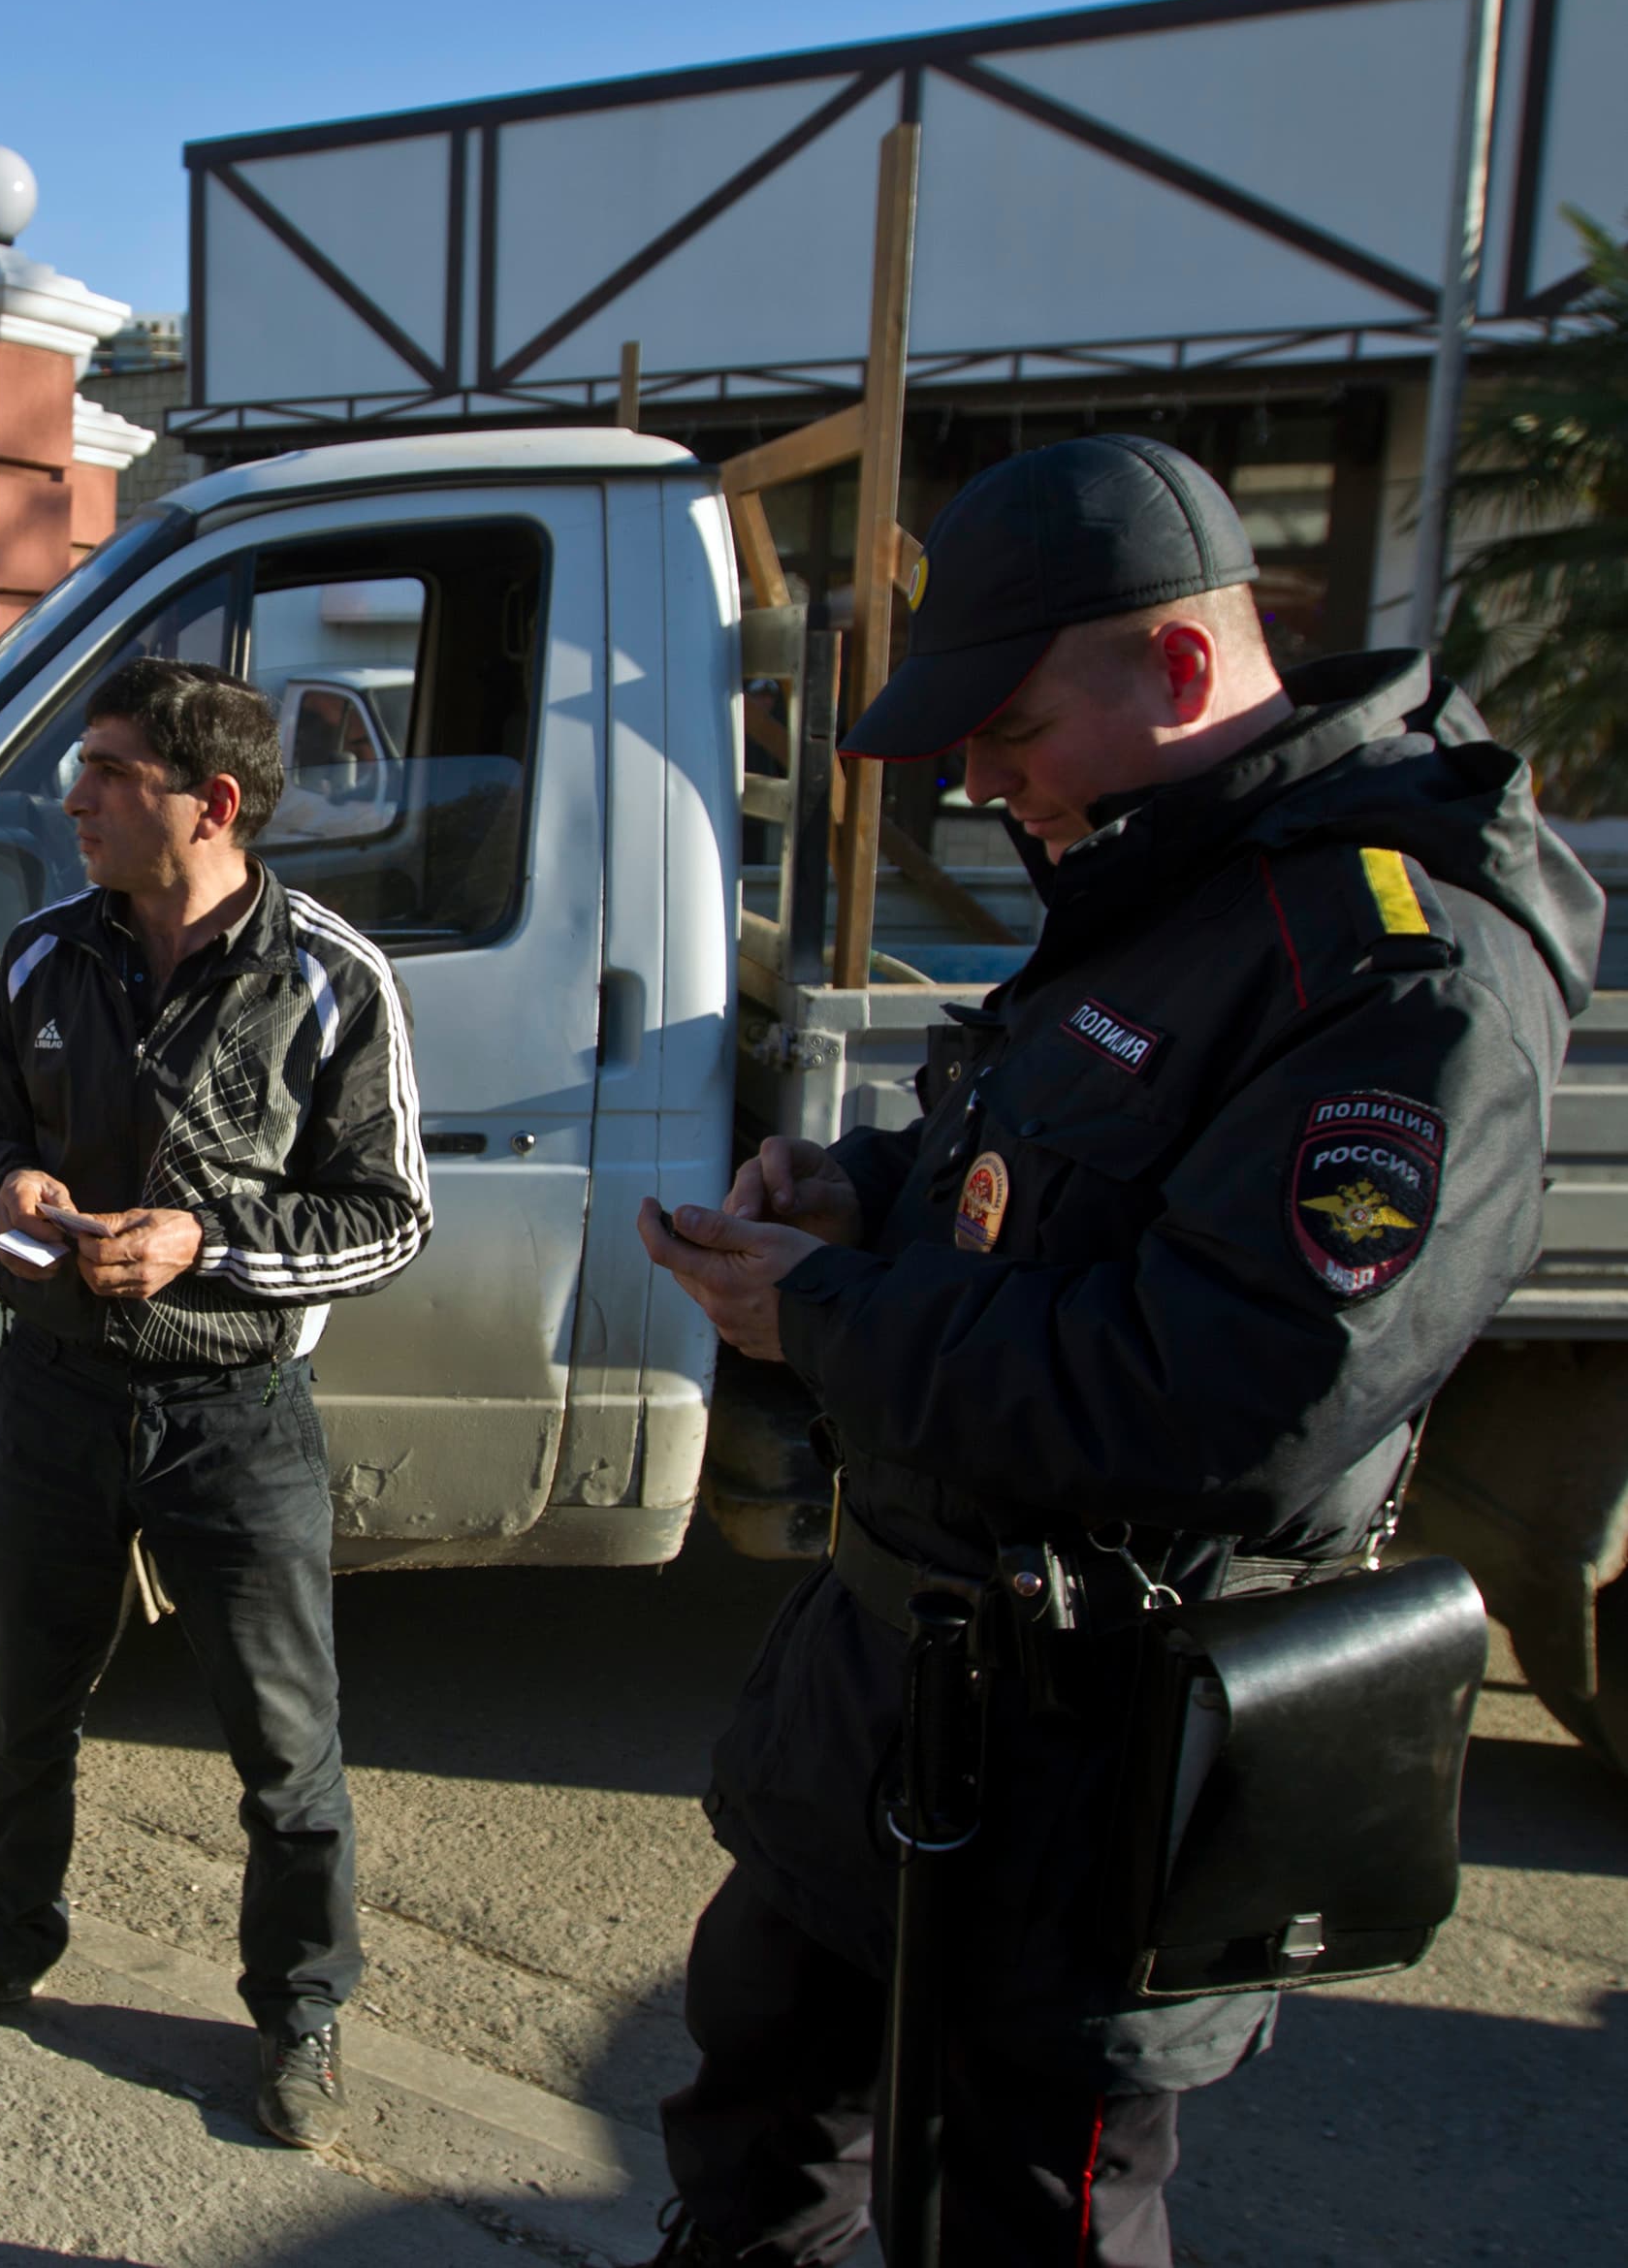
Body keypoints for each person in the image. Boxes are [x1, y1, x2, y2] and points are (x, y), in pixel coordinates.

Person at [634, 434, 1602, 2266]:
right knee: (764, 2129)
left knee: (1025, 2213)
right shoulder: (1174, 880)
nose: (987, 786)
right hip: (897, 1705)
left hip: (1095, 1761)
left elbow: (1215, 1392)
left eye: (1010, 730)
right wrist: (860, 1195)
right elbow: (1031, 1160)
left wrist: (816, 1308)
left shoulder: (1396, 971)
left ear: (1176, 667)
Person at [0, 655, 432, 2149]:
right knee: (28, 1706)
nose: (72, 797)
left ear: (207, 804)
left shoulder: (332, 977)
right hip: (56, 1391)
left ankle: (304, 2012)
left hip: (234, 1411)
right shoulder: (44, 956)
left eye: (105, 772)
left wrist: (207, 1244)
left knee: (285, 1746)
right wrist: (6, 1188)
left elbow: (392, 1220)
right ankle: (3, 1944)